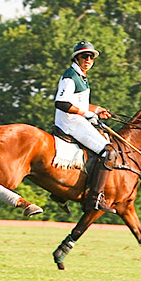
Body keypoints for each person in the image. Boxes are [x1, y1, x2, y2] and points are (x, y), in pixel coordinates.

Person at [54, 40, 117, 212]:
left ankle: (62, 192)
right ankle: (95, 198)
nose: (88, 59)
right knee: (109, 152)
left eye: (91, 57)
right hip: (70, 122)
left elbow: (80, 103)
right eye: (84, 56)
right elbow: (61, 102)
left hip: (78, 119)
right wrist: (85, 114)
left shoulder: (82, 76)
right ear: (76, 58)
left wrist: (97, 110)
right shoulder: (70, 76)